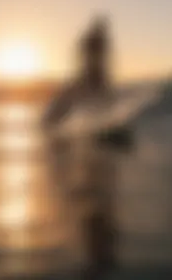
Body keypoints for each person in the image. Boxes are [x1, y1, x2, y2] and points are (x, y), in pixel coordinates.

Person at [42, 16, 119, 279]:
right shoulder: (93, 42)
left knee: (99, 208)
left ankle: (60, 119)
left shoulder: (98, 43)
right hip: (90, 76)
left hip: (95, 80)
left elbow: (97, 57)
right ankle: (54, 117)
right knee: (81, 91)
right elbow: (87, 54)